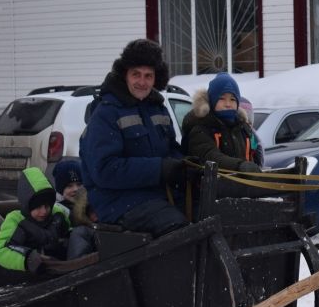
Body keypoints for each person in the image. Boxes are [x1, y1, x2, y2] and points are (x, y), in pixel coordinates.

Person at [79, 38, 188, 237]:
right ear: (125, 75)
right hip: (118, 202)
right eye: (136, 74)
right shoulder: (106, 114)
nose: (142, 82)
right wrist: (159, 169)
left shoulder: (158, 108)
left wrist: (184, 165)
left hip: (156, 196)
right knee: (178, 230)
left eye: (148, 76)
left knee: (208, 212)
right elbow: (104, 170)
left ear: (157, 79)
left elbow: (171, 149)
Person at [0, 167, 96, 273]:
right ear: (27, 205)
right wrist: (28, 258)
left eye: (47, 206)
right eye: (37, 207)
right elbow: (1, 250)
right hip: (39, 269)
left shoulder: (57, 213)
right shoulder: (17, 220)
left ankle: (81, 269)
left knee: (82, 231)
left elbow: (74, 223)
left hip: (63, 263)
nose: (44, 212)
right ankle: (78, 272)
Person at [183, 72, 263, 173]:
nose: (228, 104)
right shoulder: (200, 128)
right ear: (212, 100)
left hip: (241, 187)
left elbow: (254, 156)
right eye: (222, 98)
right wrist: (239, 166)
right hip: (209, 187)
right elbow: (210, 156)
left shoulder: (243, 129)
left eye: (233, 99)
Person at [53, 157, 98, 226]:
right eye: (69, 186)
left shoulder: (91, 206)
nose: (76, 189)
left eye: (79, 184)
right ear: (60, 190)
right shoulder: (59, 210)